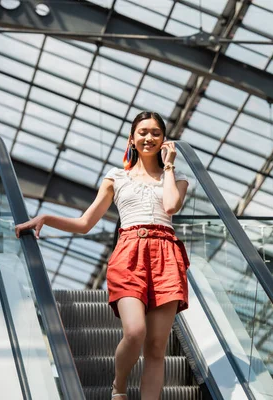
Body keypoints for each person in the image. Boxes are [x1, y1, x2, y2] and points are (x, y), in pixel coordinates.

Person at [15, 111, 190, 400]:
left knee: (157, 345)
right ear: (132, 139)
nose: (149, 138)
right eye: (143, 132)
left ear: (164, 140)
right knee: (135, 332)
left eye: (156, 133)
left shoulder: (176, 177)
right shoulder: (116, 177)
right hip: (130, 253)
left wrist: (169, 166)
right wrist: (45, 217)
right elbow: (85, 223)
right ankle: (119, 385)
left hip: (166, 255)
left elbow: (170, 206)